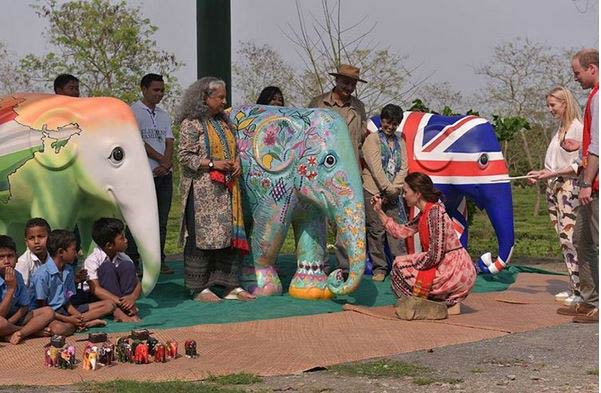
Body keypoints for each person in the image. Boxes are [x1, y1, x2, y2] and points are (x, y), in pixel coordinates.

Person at [177, 76, 255, 302]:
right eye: (220, 97)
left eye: (225, 96)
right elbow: (184, 156)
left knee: (227, 236)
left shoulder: (224, 122)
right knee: (202, 238)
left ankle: (230, 285)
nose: (224, 101)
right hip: (203, 193)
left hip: (227, 191)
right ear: (205, 97)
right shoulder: (191, 123)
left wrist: (237, 163)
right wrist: (213, 164)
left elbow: (234, 150)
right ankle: (199, 288)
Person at [371, 172, 476, 312]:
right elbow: (401, 232)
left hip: (455, 269)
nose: (403, 195)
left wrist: (412, 265)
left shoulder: (435, 213)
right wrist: (379, 211)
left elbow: (435, 255)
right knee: (401, 265)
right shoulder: (425, 213)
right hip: (443, 263)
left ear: (418, 193)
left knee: (400, 266)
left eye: (406, 192)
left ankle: (431, 304)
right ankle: (434, 303)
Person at [308, 64, 368, 277]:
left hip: (348, 173)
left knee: (347, 219)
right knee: (320, 218)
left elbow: (361, 136)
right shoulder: (318, 103)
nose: (349, 86)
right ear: (336, 81)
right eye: (345, 82)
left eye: (352, 83)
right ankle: (319, 265)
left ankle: (345, 266)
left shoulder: (359, 107)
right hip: (322, 172)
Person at [526, 87, 583, 306]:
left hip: (569, 188)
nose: (550, 110)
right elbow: (555, 164)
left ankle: (582, 291)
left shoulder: (577, 128)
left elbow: (578, 165)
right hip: (555, 187)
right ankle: (575, 286)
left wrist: (552, 173)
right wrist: (542, 174)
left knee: (571, 239)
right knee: (564, 239)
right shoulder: (560, 130)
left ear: (564, 104)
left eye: (553, 105)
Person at [558, 48, 599, 324]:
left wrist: (586, 182)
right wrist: (580, 149)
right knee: (581, 240)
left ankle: (595, 302)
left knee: (593, 241)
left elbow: (598, 147)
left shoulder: (598, 100)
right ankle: (590, 299)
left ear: (592, 68)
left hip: (594, 184)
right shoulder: (593, 98)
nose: (576, 79)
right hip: (592, 180)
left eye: (577, 73)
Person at [130, 73, 175, 275]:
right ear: (144, 89)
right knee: (138, 219)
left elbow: (170, 141)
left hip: (164, 174)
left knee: (161, 221)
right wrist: (160, 159)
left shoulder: (164, 115)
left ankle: (158, 261)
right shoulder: (133, 112)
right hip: (143, 174)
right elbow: (137, 141)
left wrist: (166, 163)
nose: (160, 94)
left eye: (162, 90)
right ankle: (133, 260)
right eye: (156, 90)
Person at [30, 230, 114, 336]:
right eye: (73, 250)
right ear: (61, 252)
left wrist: (78, 316)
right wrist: (70, 319)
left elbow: (67, 301)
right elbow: (43, 309)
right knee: (58, 329)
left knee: (109, 305)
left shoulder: (68, 270)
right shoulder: (42, 275)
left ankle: (80, 323)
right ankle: (82, 324)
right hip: (49, 314)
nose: (76, 253)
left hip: (65, 309)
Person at [362, 104, 408, 281]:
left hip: (394, 193)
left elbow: (404, 167)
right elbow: (375, 167)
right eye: (388, 122)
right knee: (377, 231)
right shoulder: (372, 139)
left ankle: (401, 267)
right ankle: (379, 268)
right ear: (382, 120)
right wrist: (387, 188)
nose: (390, 126)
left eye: (395, 123)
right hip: (373, 190)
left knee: (395, 230)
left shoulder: (400, 140)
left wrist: (395, 188)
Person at [84, 218, 142, 322]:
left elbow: (137, 282)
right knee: (107, 267)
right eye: (121, 238)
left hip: (121, 297)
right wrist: (121, 303)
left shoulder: (124, 257)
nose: (126, 240)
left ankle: (126, 308)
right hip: (98, 298)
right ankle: (119, 310)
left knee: (127, 266)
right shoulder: (92, 260)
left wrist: (131, 297)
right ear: (109, 245)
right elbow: (95, 289)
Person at [0, 235, 54, 345]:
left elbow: (24, 307)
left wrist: (10, 323)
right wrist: (11, 289)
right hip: (1, 319)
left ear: (16, 257)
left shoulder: (18, 276)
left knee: (48, 311)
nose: (6, 261)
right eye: (1, 257)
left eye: (10, 256)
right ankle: (32, 331)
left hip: (13, 318)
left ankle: (18, 332)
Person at [16, 217, 52, 288]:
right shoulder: (23, 262)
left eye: (41, 236)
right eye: (31, 238)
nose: (36, 242)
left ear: (50, 237)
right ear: (26, 242)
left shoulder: (53, 257)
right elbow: (22, 291)